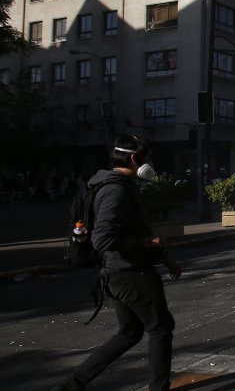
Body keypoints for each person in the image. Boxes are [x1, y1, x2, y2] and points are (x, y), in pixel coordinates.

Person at [50, 135, 182, 391]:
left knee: (130, 332)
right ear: (134, 159)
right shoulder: (117, 190)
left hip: (118, 271)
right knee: (160, 328)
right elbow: (103, 238)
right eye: (147, 158)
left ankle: (68, 387)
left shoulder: (116, 185)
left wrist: (164, 258)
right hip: (130, 272)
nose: (150, 163)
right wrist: (142, 243)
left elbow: (136, 231)